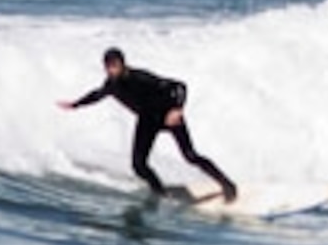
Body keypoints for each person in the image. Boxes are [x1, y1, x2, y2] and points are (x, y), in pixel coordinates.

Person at [59, 47, 238, 202]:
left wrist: (177, 109)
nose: (112, 70)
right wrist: (75, 105)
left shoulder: (140, 78)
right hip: (147, 121)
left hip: (168, 115)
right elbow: (97, 94)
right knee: (138, 165)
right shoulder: (112, 85)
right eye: (108, 66)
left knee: (190, 155)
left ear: (123, 64)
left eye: (115, 65)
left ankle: (228, 185)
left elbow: (178, 86)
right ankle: (161, 193)